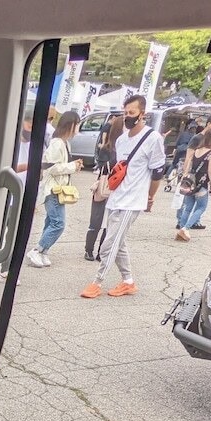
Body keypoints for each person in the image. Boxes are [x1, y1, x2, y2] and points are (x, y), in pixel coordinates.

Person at [80, 94, 164, 299]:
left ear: (142, 114)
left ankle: (97, 282)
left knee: (109, 245)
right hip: (116, 197)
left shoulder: (153, 138)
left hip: (132, 201)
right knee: (119, 242)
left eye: (132, 112)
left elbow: (157, 172)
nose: (128, 116)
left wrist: (150, 197)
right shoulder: (122, 140)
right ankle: (128, 281)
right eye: (125, 113)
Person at [27, 110, 81, 267]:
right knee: (58, 223)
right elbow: (50, 167)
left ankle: (43, 251)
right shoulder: (57, 143)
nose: (78, 128)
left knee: (51, 221)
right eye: (77, 125)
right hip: (53, 189)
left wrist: (73, 165)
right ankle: (37, 250)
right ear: (70, 125)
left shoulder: (64, 143)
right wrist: (72, 166)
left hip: (58, 189)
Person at [84, 115, 123, 261]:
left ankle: (102, 251)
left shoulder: (125, 149)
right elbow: (102, 167)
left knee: (109, 223)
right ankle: (89, 250)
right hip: (104, 186)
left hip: (116, 189)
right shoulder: (107, 148)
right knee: (96, 220)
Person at [175, 127, 211, 241]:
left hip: (190, 183)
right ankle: (185, 228)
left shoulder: (196, 150)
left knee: (188, 208)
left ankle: (181, 228)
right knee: (201, 207)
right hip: (202, 184)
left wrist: (184, 176)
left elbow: (188, 165)